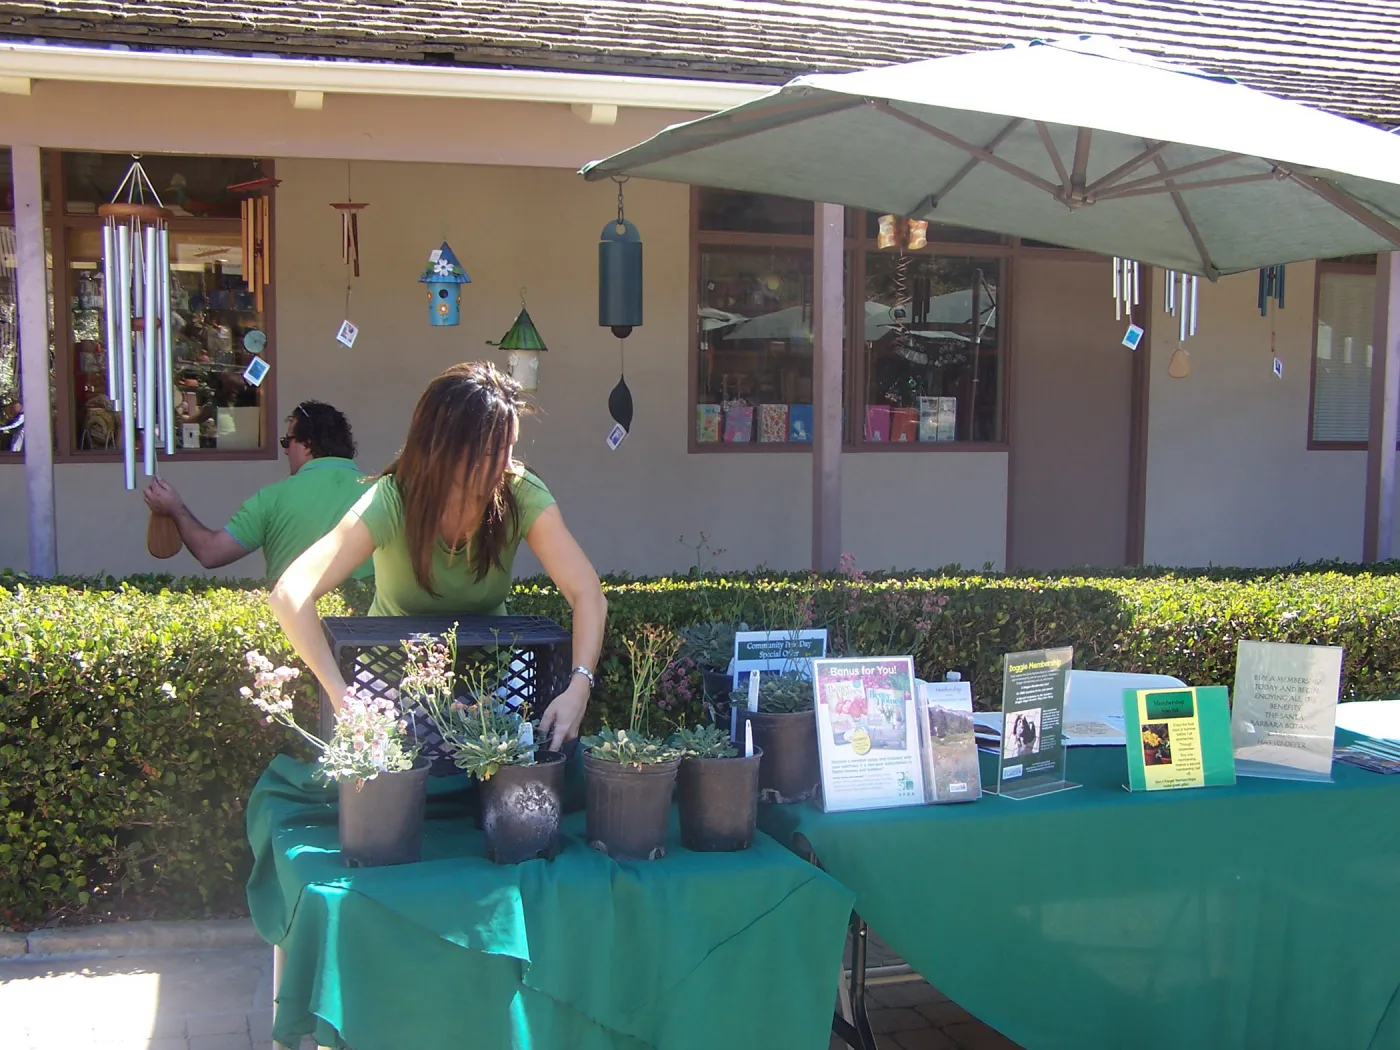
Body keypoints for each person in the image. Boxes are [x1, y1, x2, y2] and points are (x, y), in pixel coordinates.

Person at [269, 362, 606, 751]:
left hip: (493, 682)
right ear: (443, 448)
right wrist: (341, 694)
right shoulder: (393, 498)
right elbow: (289, 594)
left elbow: (587, 592)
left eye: (509, 446)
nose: (504, 463)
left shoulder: (521, 492)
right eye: (489, 451)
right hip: (391, 683)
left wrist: (580, 684)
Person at [142, 401, 373, 582]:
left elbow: (210, 553)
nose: (285, 451)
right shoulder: (382, 492)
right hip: (369, 630)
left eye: (287, 442)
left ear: (308, 444)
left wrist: (176, 508)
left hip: (293, 630)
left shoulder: (272, 498)